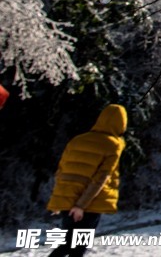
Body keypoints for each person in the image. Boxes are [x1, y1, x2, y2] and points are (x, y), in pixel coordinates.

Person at [46, 104, 127, 257]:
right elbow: (101, 178)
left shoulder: (77, 140)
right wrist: (80, 206)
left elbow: (61, 172)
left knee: (69, 244)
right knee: (76, 246)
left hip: (67, 199)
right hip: (89, 204)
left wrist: (59, 202)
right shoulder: (113, 145)